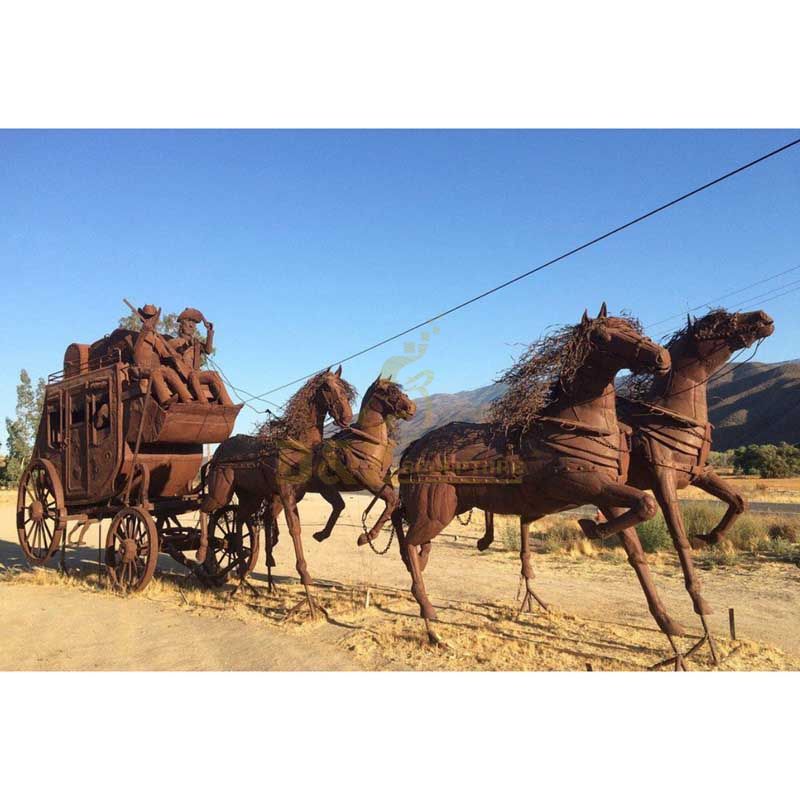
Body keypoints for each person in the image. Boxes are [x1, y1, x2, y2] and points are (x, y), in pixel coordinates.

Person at [132, 304, 193, 404]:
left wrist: (175, 357)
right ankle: (165, 400)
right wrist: (143, 332)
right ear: (142, 319)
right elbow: (134, 353)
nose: (150, 320)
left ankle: (187, 399)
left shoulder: (156, 339)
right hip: (141, 369)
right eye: (147, 317)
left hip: (156, 368)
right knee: (155, 373)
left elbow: (165, 354)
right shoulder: (138, 338)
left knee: (169, 372)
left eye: (152, 318)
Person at [170, 307, 233, 404]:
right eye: (189, 321)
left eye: (194, 323)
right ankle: (203, 403)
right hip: (184, 375)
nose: (191, 325)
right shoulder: (173, 342)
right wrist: (184, 347)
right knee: (194, 375)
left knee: (214, 374)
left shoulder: (196, 343)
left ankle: (228, 405)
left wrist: (209, 332)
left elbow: (208, 350)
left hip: (196, 374)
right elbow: (172, 356)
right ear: (182, 324)